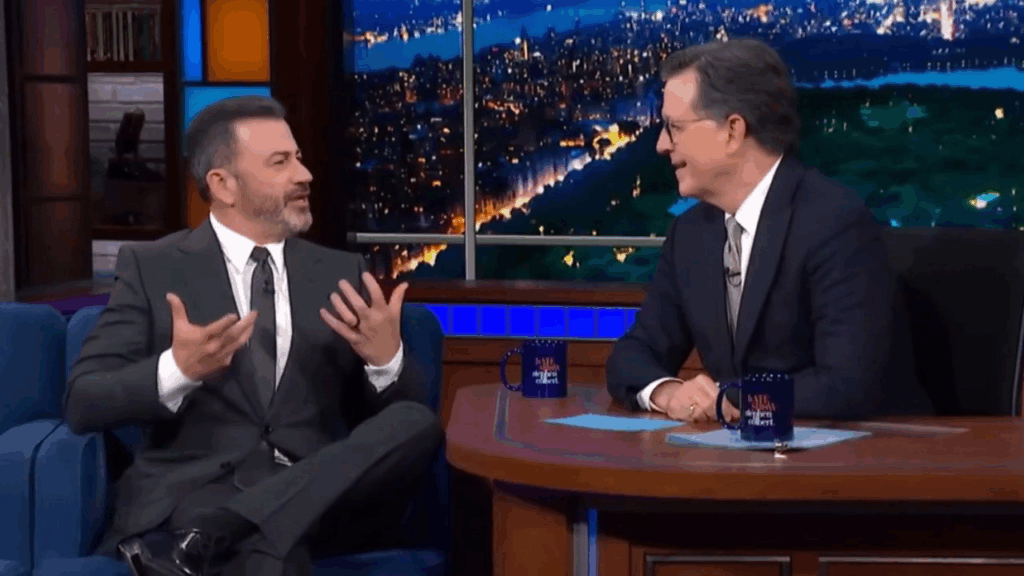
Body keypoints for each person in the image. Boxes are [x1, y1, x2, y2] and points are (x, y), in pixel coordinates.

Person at [64, 96, 442, 576]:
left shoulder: (340, 271)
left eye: (299, 158)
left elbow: (393, 424)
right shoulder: (153, 268)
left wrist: (385, 362)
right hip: (198, 489)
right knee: (274, 555)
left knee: (416, 421)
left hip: (313, 491)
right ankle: (233, 530)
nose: (304, 175)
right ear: (223, 185)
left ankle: (223, 528)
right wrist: (177, 371)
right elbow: (84, 401)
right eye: (280, 163)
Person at [606, 38, 933, 422]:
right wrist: (668, 392)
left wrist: (727, 399)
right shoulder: (691, 235)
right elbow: (632, 356)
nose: (662, 145)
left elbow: (846, 384)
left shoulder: (834, 223)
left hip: (856, 451)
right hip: (739, 451)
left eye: (674, 128)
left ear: (732, 131)